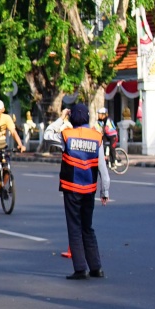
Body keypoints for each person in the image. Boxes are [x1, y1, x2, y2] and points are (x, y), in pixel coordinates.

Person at [59, 100, 109, 277]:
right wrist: (105, 191)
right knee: (87, 227)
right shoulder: (97, 137)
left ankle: (80, 268)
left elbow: (48, 134)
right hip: (89, 189)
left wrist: (61, 118)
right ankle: (96, 268)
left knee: (74, 227)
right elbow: (103, 168)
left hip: (71, 188)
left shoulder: (66, 135)